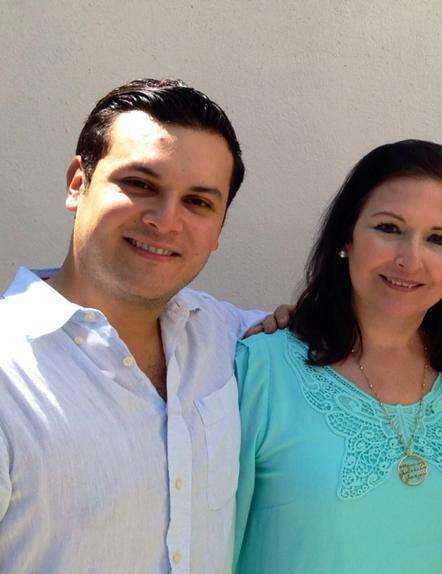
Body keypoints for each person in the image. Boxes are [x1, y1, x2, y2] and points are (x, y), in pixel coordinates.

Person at [0, 79, 268, 573]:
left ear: (219, 229)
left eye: (198, 202)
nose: (165, 221)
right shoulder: (8, 372)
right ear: (77, 183)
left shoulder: (230, 338)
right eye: (141, 184)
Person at [233, 139, 442, 573]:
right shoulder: (260, 370)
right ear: (347, 235)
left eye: (438, 239)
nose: (410, 259)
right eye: (389, 228)